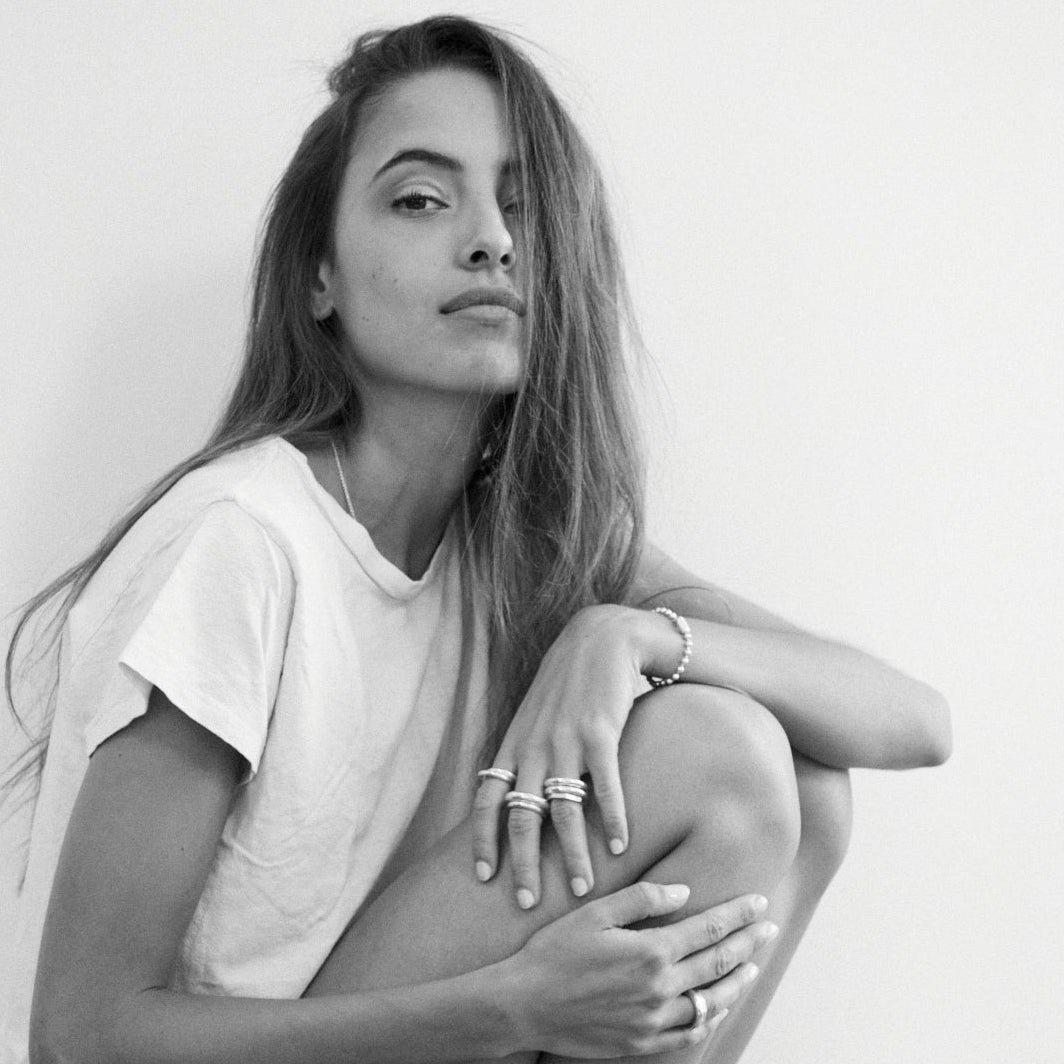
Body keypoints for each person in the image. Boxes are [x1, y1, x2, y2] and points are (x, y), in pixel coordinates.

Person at [0, 15, 951, 1064]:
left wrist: (625, 634)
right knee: (716, 756)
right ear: (318, 275)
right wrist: (510, 1008)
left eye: (519, 204)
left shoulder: (519, 539)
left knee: (806, 785)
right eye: (420, 199)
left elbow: (912, 719)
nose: (490, 240)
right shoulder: (244, 542)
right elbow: (79, 1039)